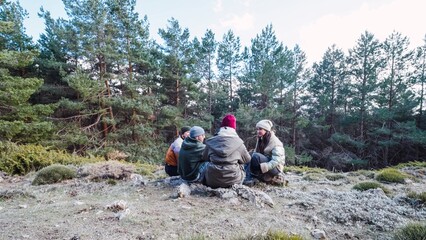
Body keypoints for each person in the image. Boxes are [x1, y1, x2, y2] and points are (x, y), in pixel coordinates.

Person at [203, 114, 251, 188]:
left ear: (221, 127)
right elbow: (247, 159)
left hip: (212, 181)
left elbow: (204, 158)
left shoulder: (211, 142)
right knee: (241, 165)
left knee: (206, 164)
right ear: (234, 128)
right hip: (233, 180)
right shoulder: (239, 143)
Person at [247, 119, 286, 185]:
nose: (258, 131)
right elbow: (255, 152)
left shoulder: (275, 142)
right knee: (249, 155)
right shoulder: (261, 139)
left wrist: (265, 166)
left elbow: (276, 161)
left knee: (256, 156)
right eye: (257, 129)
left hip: (275, 168)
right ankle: (248, 176)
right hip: (267, 163)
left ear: (266, 130)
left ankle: (250, 177)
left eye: (260, 129)